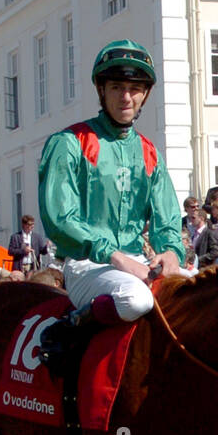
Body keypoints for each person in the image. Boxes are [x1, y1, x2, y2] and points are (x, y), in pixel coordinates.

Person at [38, 39, 183, 322]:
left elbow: (167, 219)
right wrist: (115, 256)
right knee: (135, 300)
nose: (125, 97)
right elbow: (60, 218)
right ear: (101, 90)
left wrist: (170, 251)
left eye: (134, 89)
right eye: (117, 87)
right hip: (87, 266)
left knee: (205, 294)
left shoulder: (149, 151)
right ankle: (69, 330)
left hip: (138, 262)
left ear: (145, 95)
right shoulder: (69, 143)